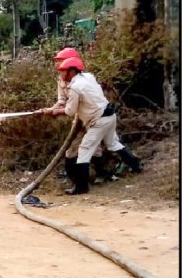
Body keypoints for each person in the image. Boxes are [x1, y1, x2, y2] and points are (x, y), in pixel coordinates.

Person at [40, 56, 143, 195]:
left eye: (63, 71)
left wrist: (52, 112)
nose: (61, 74)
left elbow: (70, 111)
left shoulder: (75, 87)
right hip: (109, 115)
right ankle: (136, 166)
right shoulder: (88, 76)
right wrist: (53, 109)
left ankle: (81, 187)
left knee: (84, 149)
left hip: (98, 120)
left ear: (71, 71)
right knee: (112, 143)